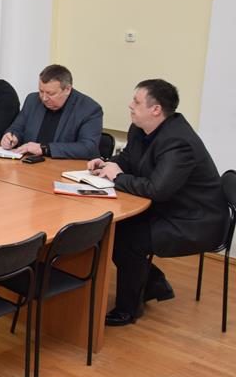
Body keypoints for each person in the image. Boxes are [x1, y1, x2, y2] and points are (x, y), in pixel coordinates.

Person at [87, 79, 228, 326]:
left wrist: (118, 177)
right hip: (168, 209)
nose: (130, 105)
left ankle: (129, 309)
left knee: (129, 240)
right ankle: (152, 283)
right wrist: (108, 163)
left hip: (194, 221)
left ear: (156, 109)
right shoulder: (140, 129)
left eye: (136, 102)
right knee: (112, 228)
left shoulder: (178, 142)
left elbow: (157, 189)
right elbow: (129, 159)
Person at [0, 64, 103, 159]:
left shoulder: (89, 109)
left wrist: (45, 148)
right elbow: (17, 128)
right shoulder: (32, 100)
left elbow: (88, 148)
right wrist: (11, 137)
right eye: (41, 91)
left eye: (51, 93)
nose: (44, 98)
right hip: (30, 164)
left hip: (65, 167)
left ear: (67, 89)